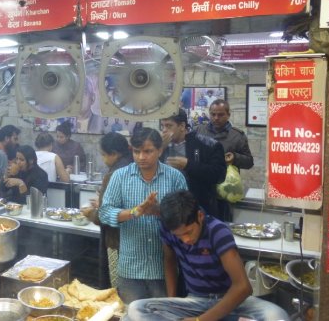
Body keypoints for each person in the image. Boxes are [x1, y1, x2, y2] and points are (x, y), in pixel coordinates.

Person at [125, 190, 289, 321]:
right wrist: (172, 302)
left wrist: (199, 320)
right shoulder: (169, 229)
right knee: (135, 310)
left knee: (277, 317)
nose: (186, 239)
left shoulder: (217, 232)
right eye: (179, 235)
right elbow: (169, 261)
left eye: (188, 232)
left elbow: (243, 288)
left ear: (200, 217)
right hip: (195, 301)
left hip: (231, 301)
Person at [99, 127, 187, 304]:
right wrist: (134, 212)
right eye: (137, 151)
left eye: (148, 151)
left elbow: (185, 217)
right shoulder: (120, 176)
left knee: (163, 316)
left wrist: (159, 211)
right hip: (130, 267)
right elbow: (105, 213)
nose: (141, 157)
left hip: (164, 267)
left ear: (160, 150)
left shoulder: (175, 177)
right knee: (132, 315)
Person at [81, 132, 133, 288]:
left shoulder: (114, 174)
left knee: (115, 287)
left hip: (115, 239)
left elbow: (103, 217)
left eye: (104, 155)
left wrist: (89, 213)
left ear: (115, 154)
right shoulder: (133, 166)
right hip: (131, 238)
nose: (103, 159)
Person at [160, 108, 226, 219]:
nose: (164, 130)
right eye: (162, 126)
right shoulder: (159, 146)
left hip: (198, 208)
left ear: (182, 126)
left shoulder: (208, 144)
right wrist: (159, 149)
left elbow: (219, 175)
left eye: (169, 126)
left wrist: (189, 165)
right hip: (168, 208)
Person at [196, 99, 254, 221]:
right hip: (201, 190)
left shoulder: (237, 136)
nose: (216, 118)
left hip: (224, 194)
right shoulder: (199, 131)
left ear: (228, 115)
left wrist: (235, 157)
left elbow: (249, 162)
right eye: (213, 114)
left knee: (222, 229)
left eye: (221, 114)